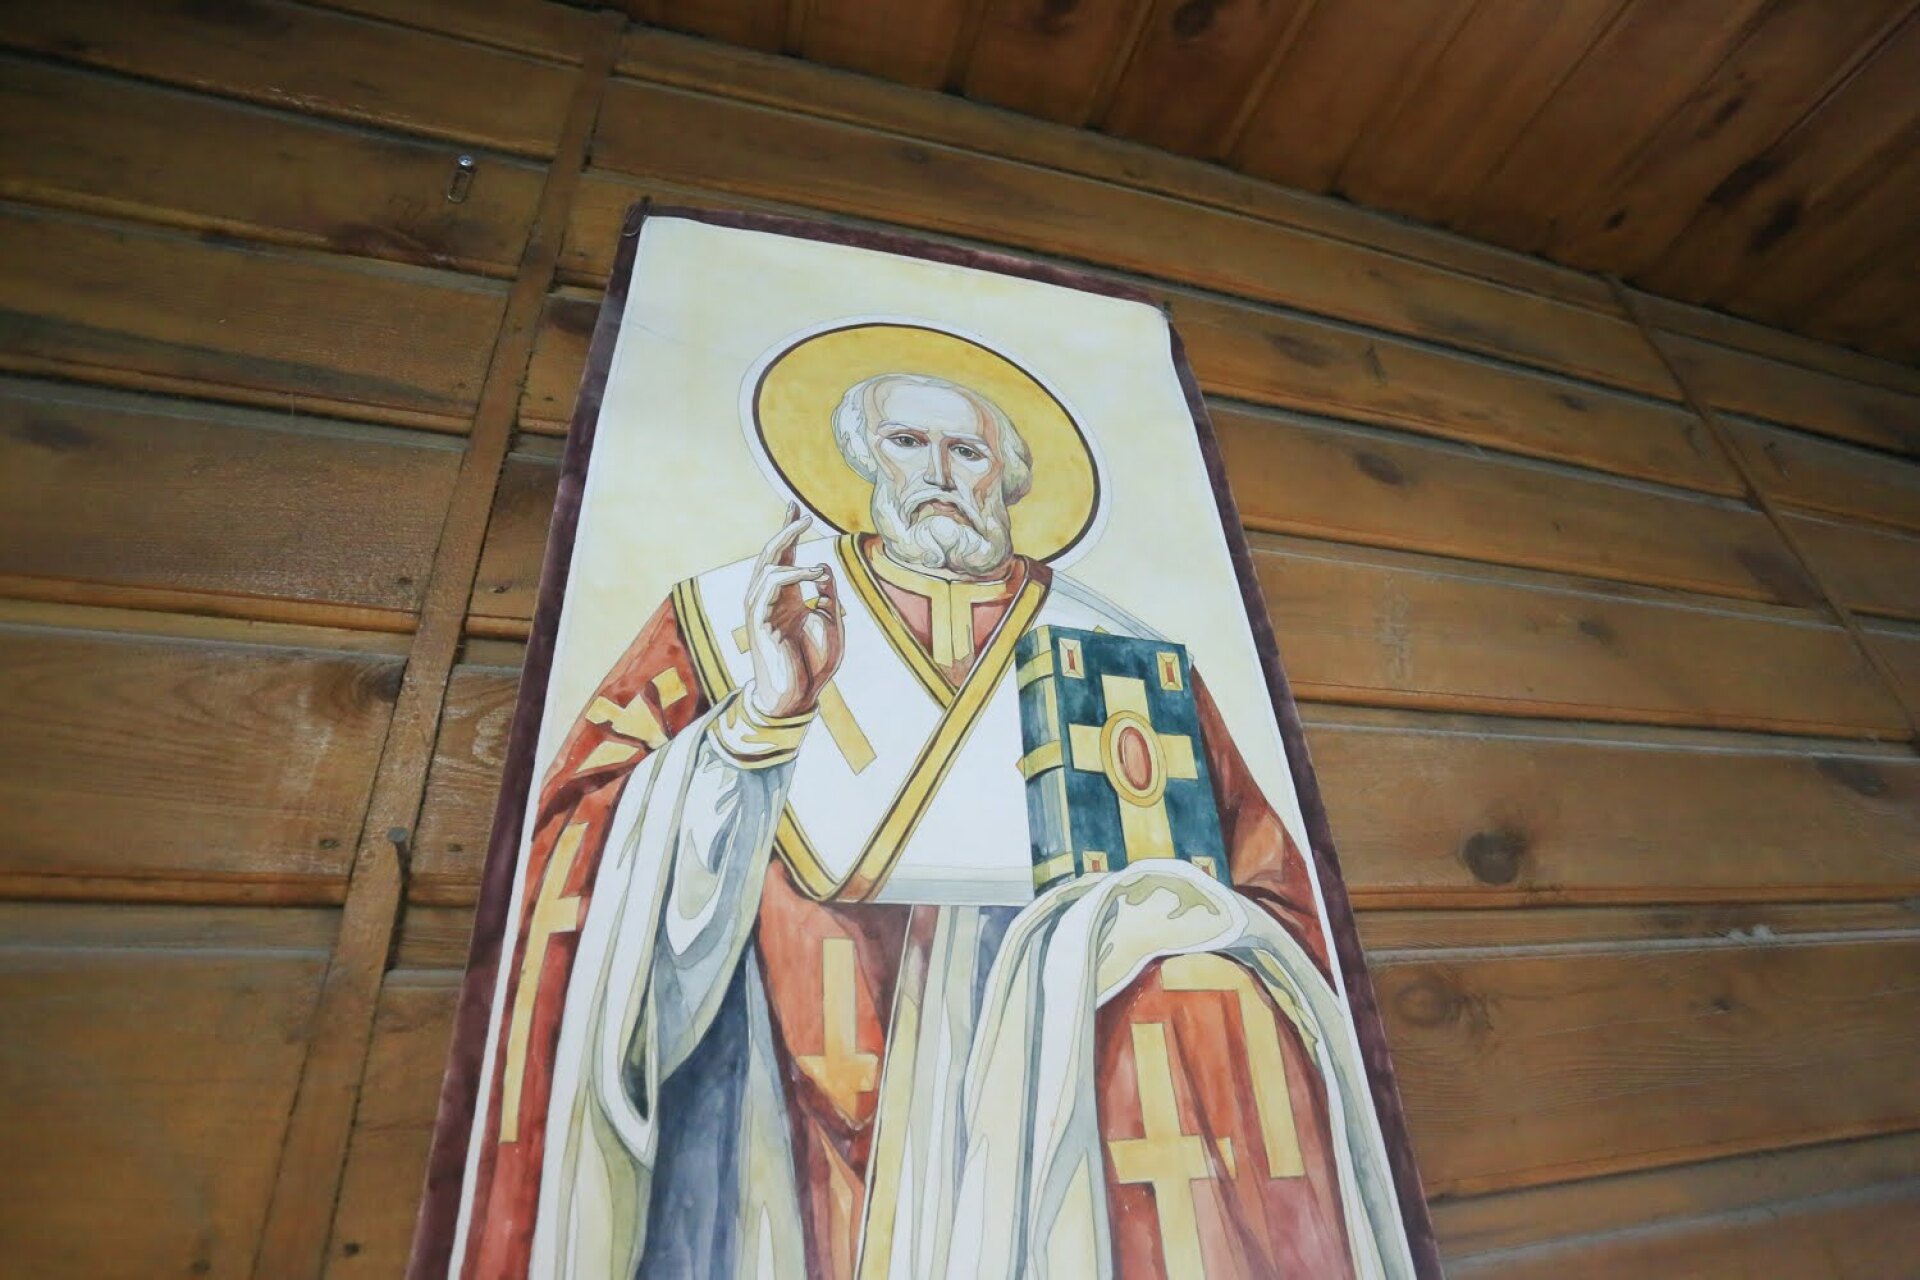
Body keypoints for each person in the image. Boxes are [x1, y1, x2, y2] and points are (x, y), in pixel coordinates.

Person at [453, 373, 1408, 1279]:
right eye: (908, 442)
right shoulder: (732, 617)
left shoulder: (1119, 649)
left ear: (1012, 480)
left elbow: (1265, 883)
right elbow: (581, 839)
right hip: (785, 1095)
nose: (940, 472)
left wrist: (1142, 930)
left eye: (969, 452)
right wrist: (758, 726)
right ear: (865, 460)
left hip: (1043, 1093)